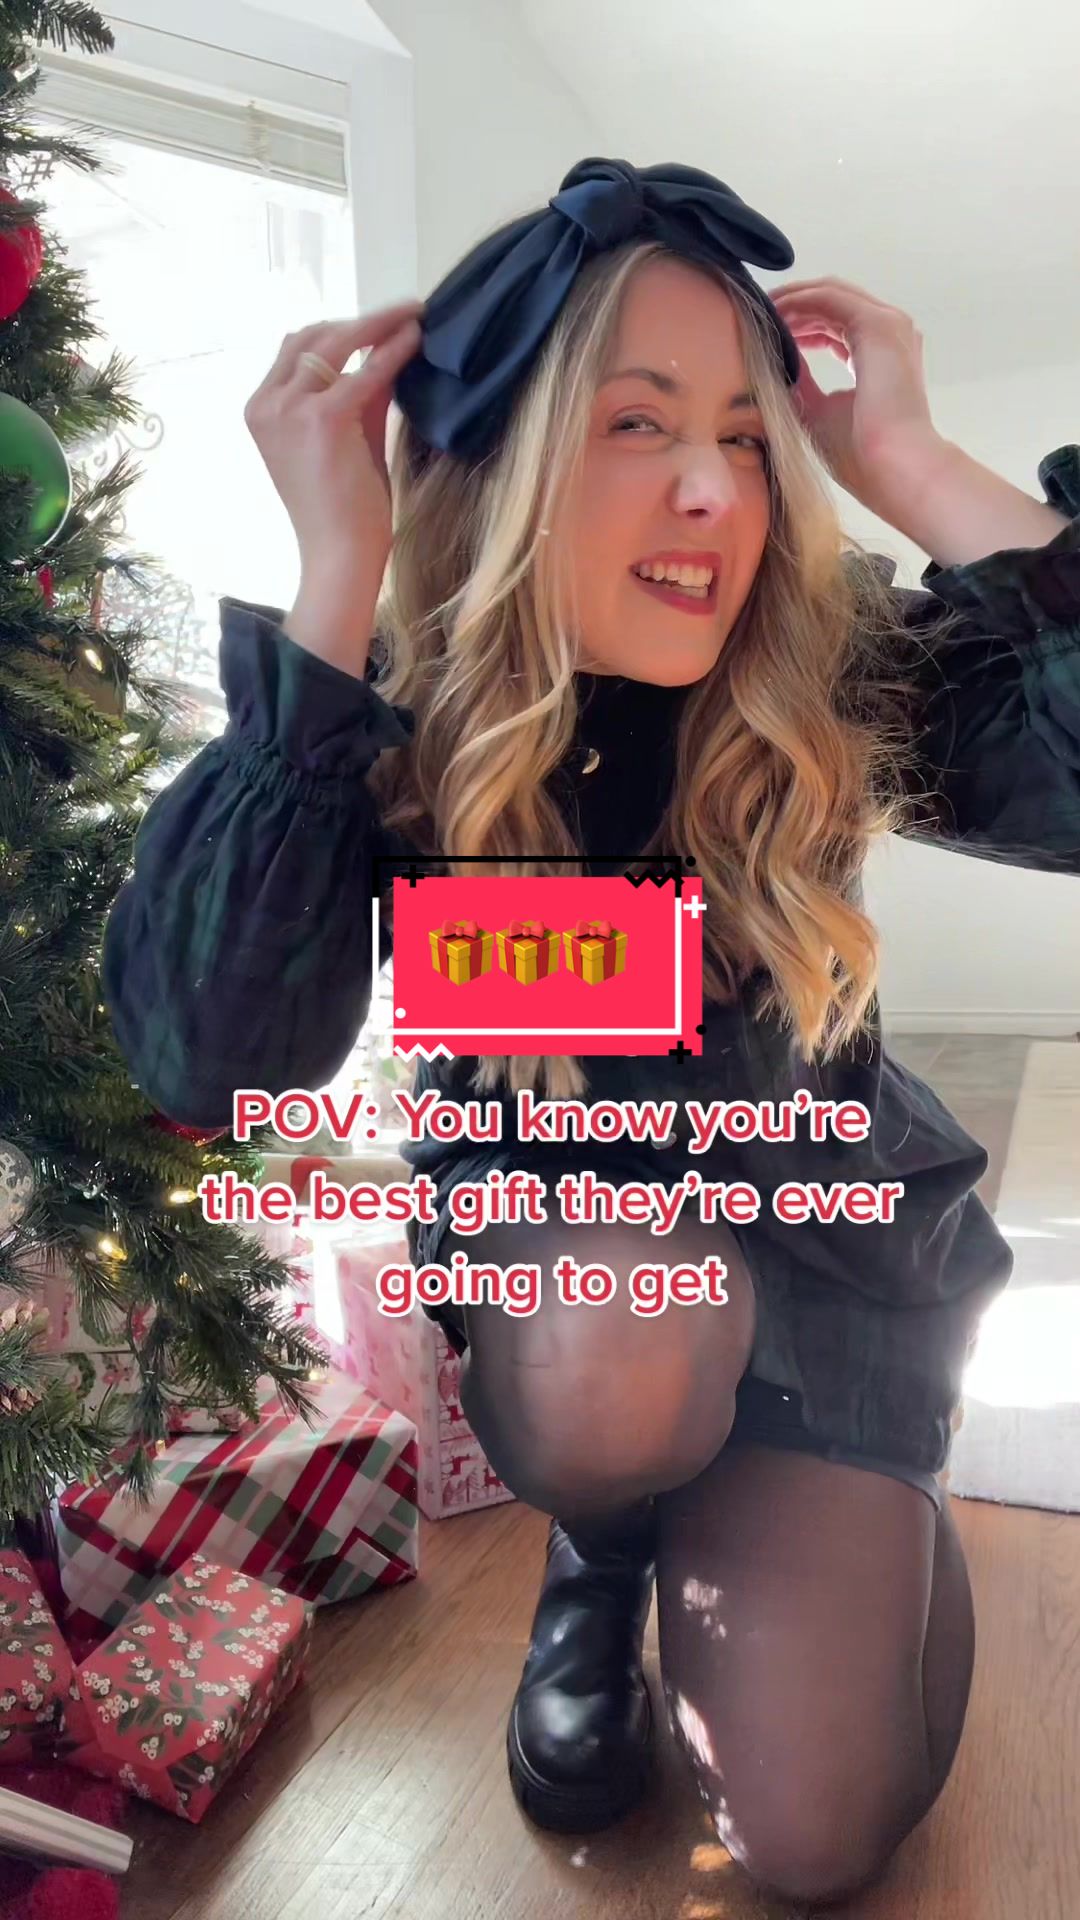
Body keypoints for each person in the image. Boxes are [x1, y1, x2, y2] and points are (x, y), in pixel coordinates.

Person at [102, 158, 1080, 1906]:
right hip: (593, 1307)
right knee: (621, 1331)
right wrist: (338, 572)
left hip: (824, 1259)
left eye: (745, 437)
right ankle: (604, 1551)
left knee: (810, 1839)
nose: (713, 490)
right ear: (509, 455)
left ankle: (842, 1501)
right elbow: (208, 1056)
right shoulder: (402, 714)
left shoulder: (819, 660)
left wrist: (911, 461)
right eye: (639, 424)